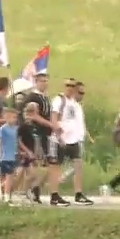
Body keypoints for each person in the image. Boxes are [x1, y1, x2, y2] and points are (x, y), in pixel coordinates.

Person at [24, 73, 66, 206]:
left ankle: (36, 188)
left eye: (46, 81)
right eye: (42, 81)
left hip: (47, 134)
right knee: (45, 163)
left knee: (52, 164)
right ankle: (32, 188)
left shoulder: (45, 97)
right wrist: (51, 125)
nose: (45, 83)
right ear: (36, 82)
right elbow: (33, 116)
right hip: (37, 133)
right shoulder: (33, 97)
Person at [51, 78, 92, 205]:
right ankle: (54, 195)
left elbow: (78, 122)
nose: (70, 87)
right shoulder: (59, 100)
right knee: (56, 167)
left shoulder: (75, 103)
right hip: (61, 138)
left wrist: (84, 135)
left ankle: (78, 194)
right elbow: (54, 119)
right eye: (68, 85)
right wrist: (59, 137)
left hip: (74, 139)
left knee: (78, 165)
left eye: (72, 85)